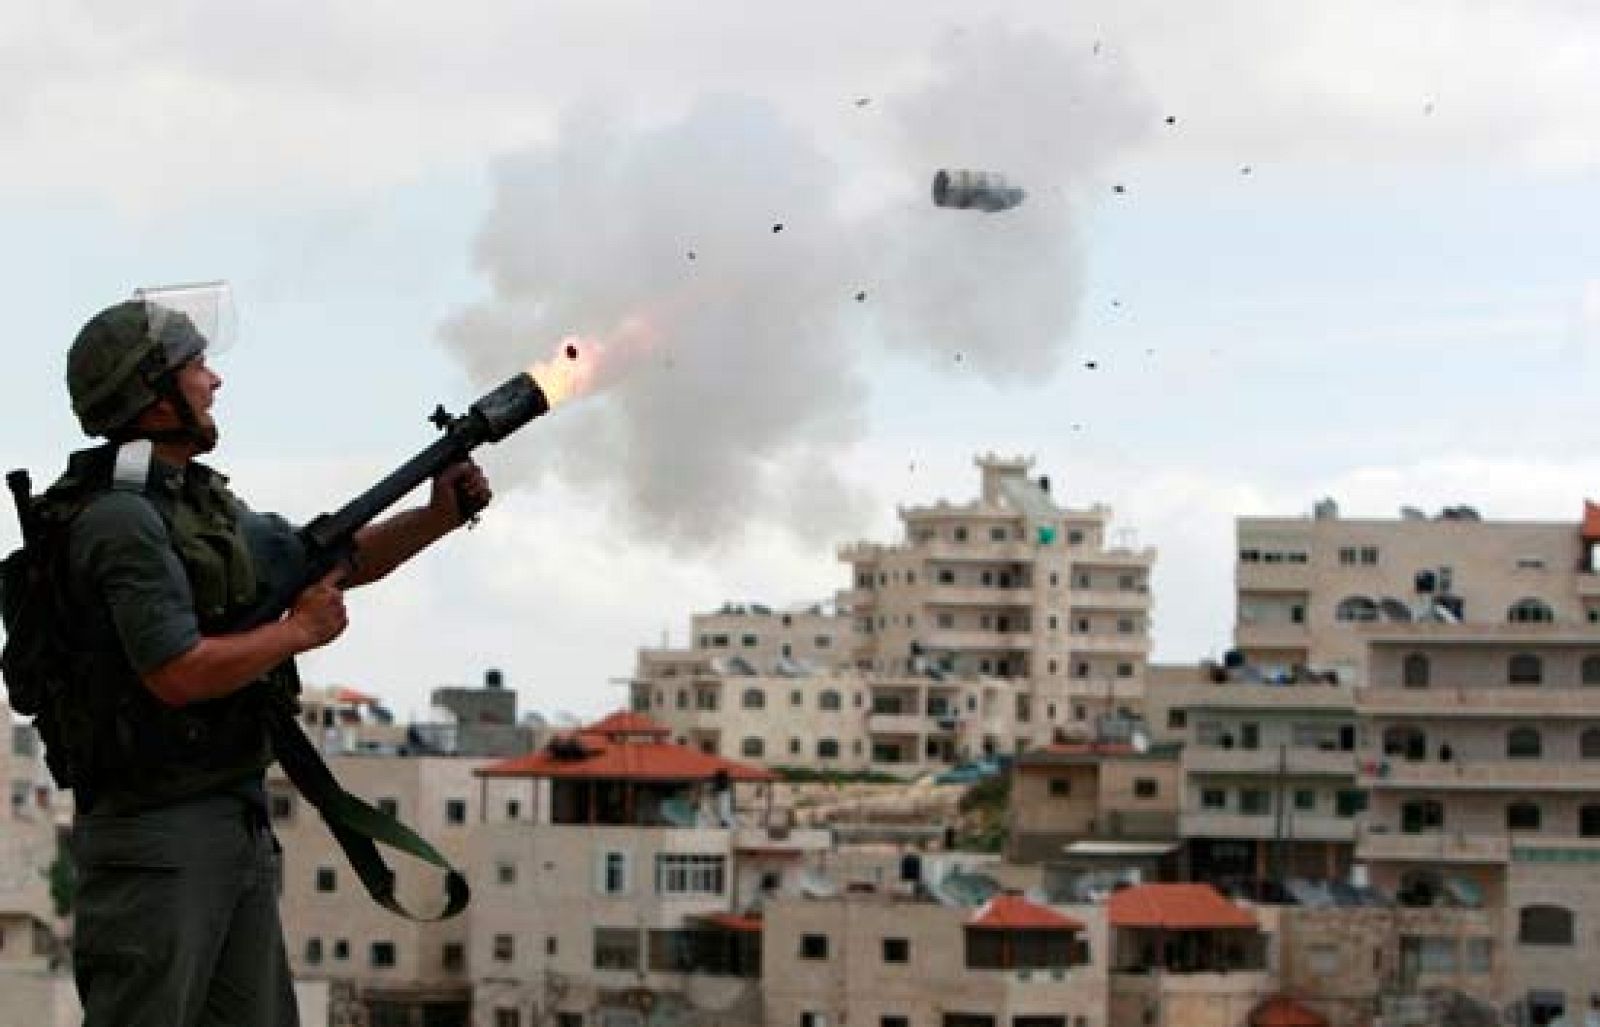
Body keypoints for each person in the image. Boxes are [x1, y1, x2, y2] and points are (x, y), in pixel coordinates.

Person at [50, 288, 491, 1026]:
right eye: (196, 367)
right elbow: (176, 671)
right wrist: (297, 634)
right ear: (155, 401)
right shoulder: (120, 521)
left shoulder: (195, 504)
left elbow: (328, 559)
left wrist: (439, 515)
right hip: (157, 838)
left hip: (229, 818)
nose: (213, 380)